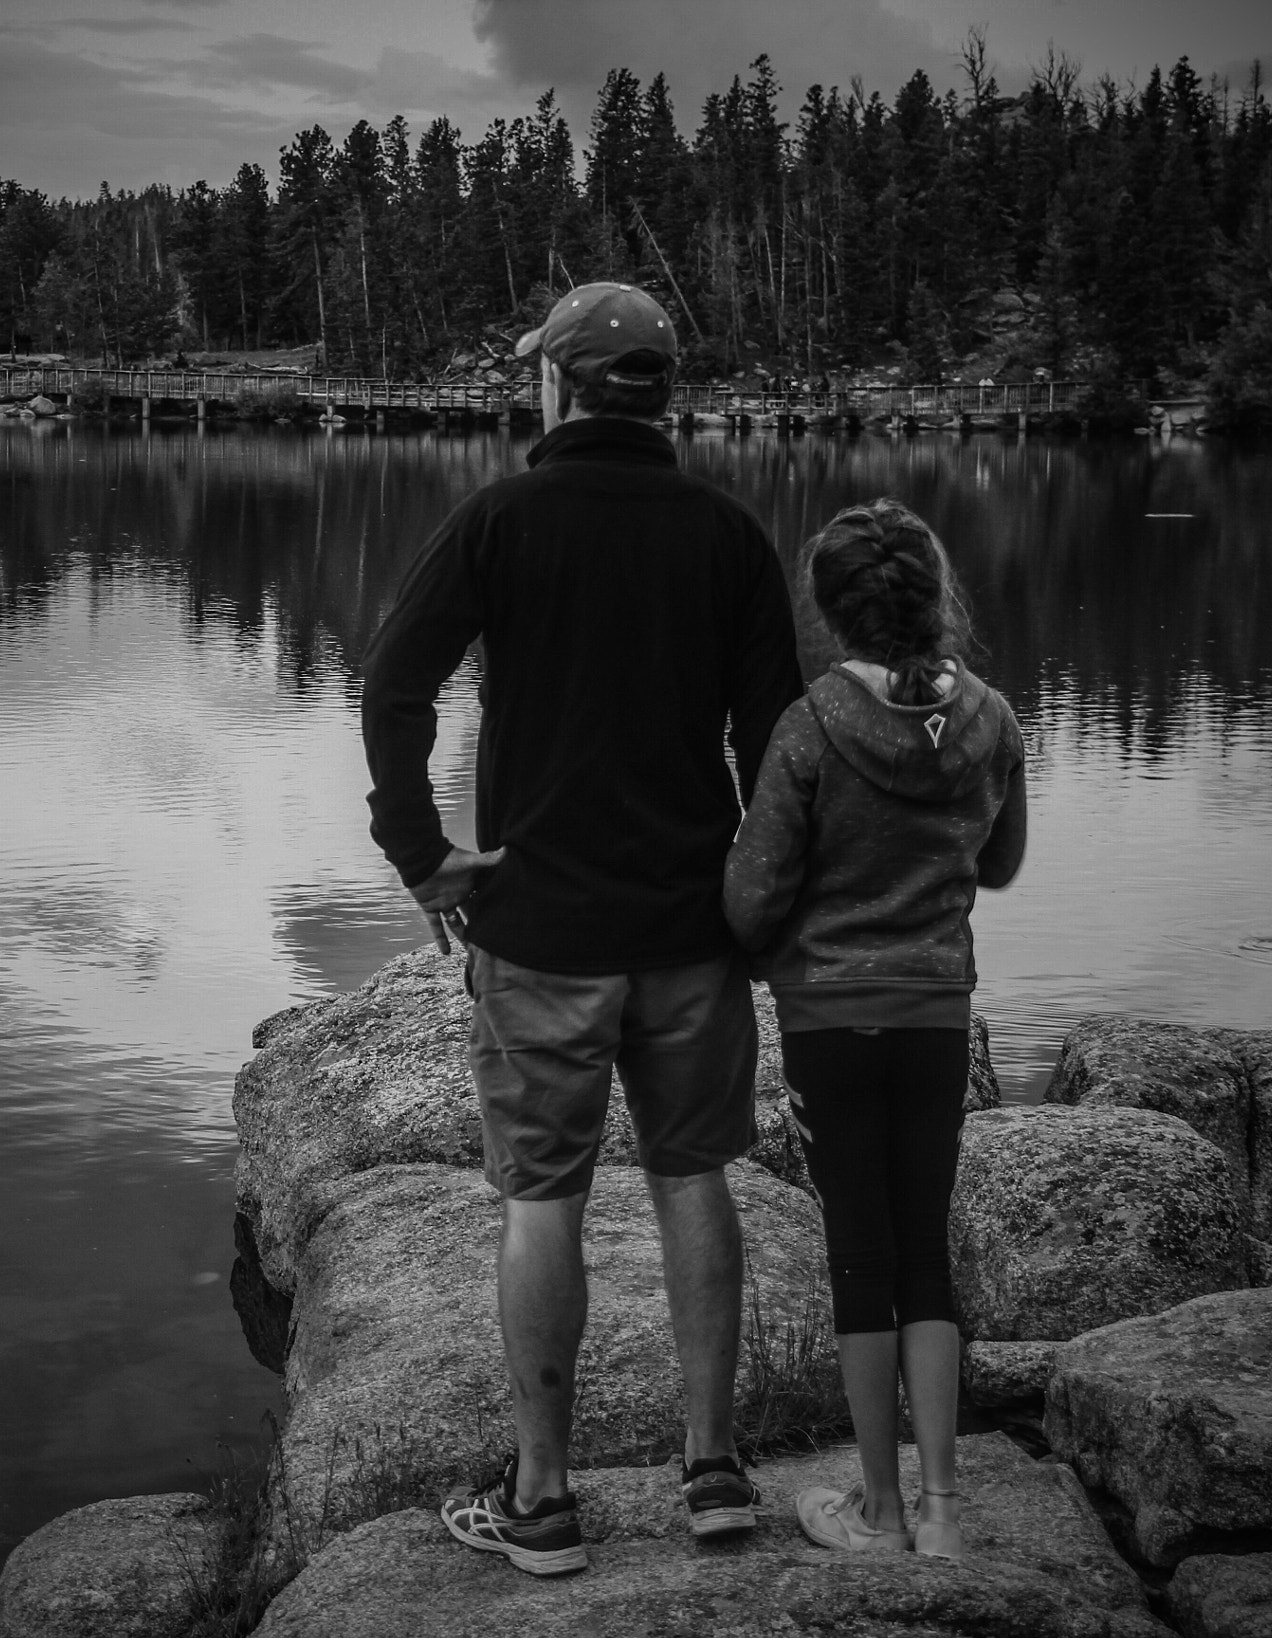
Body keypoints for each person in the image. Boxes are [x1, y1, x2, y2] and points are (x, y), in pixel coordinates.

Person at [361, 282, 804, 1577]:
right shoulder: (726, 534)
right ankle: (714, 1472)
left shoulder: (501, 518)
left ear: (559, 385)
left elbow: (394, 682)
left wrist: (423, 856)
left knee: (541, 1195)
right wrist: (761, 905)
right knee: (692, 1173)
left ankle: (545, 1500)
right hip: (688, 924)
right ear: (659, 394)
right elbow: (774, 742)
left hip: (541, 925)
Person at [722, 499, 1026, 1561]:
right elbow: (995, 864)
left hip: (828, 1014)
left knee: (859, 1253)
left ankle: (879, 1512)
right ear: (937, 597)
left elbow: (753, 897)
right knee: (923, 1252)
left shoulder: (807, 726)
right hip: (937, 1008)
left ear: (826, 609)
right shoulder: (989, 716)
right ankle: (943, 1510)